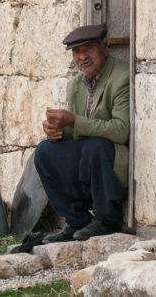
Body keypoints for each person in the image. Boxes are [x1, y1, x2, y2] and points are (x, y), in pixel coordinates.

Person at [34, 23, 129, 242]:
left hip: (112, 159)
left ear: (104, 49)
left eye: (89, 49)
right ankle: (77, 220)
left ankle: (107, 219)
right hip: (89, 157)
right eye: (77, 52)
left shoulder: (121, 77)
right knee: (45, 151)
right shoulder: (76, 84)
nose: (82, 57)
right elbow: (77, 131)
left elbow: (120, 131)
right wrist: (57, 130)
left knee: (96, 145)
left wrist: (74, 121)